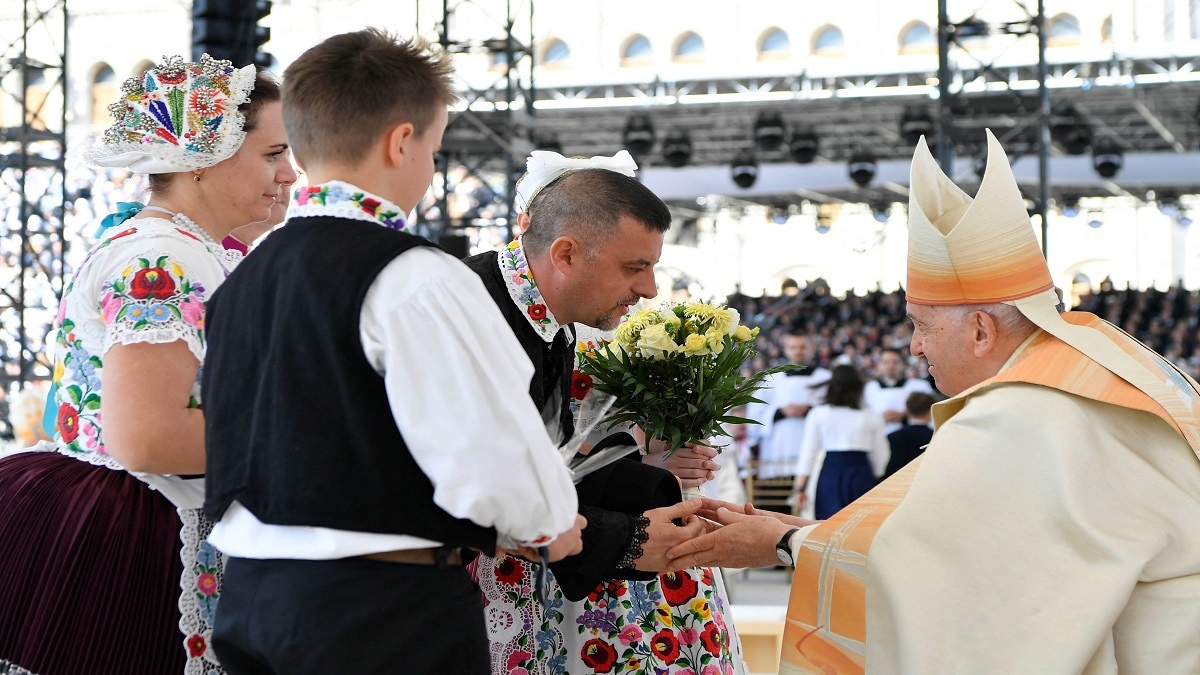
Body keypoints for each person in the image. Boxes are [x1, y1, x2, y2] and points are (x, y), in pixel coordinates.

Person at [667, 130, 1200, 673]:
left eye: (920, 325)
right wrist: (806, 533)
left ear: (980, 330)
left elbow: (943, 579)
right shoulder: (1099, 355)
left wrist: (783, 544)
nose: (914, 345)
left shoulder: (1021, 412)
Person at [200, 30, 584, 674]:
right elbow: (487, 455)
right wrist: (549, 523)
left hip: (252, 597)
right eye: (433, 151)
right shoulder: (417, 276)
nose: (430, 170)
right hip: (377, 610)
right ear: (401, 142)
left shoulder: (247, 273)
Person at [0, 55, 296, 674]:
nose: (291, 173)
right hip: (133, 537)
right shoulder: (164, 257)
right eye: (273, 153)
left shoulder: (187, 249)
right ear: (201, 155)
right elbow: (150, 438)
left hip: (149, 518)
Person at [464, 151, 743, 675]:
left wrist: (664, 508)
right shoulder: (470, 307)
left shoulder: (554, 316)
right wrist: (630, 538)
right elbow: (485, 484)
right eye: (636, 267)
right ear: (565, 254)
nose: (649, 290)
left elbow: (553, 459)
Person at [793, 364, 888, 520]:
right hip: (861, 474)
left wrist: (800, 488)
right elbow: (881, 456)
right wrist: (876, 476)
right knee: (861, 528)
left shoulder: (819, 414)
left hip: (830, 474)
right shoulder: (872, 417)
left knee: (827, 527)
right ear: (859, 388)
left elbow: (808, 452)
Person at [862, 347, 933, 434]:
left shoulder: (919, 386)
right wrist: (879, 418)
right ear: (879, 365)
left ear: (902, 364)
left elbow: (931, 409)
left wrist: (906, 413)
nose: (891, 366)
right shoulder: (870, 388)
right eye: (886, 362)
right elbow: (863, 414)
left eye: (895, 362)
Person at [882, 391, 934, 478]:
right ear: (930, 411)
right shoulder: (937, 436)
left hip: (899, 483)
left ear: (907, 410)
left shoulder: (892, 437)